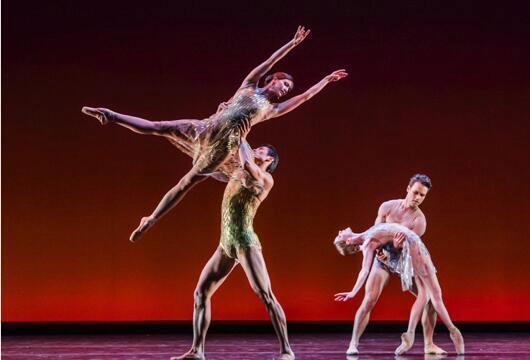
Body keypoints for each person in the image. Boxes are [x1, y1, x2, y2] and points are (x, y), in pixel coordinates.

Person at [81, 26, 347, 241]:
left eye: (288, 88)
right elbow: (268, 62)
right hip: (205, 126)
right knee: (159, 126)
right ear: (272, 80)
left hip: (223, 146)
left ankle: (150, 219)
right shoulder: (249, 85)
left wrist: (325, 80)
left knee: (186, 182)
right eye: (284, 83)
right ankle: (111, 115)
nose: (286, 89)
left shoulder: (271, 110)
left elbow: (305, 97)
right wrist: (292, 44)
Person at [172, 141, 294, 360]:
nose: (255, 150)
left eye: (260, 151)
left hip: (245, 243)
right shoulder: (238, 171)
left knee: (265, 295)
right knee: (200, 293)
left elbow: (247, 161)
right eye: (255, 148)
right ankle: (197, 351)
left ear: (269, 160)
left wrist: (241, 132)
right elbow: (219, 162)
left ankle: (287, 351)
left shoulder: (264, 179)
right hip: (226, 243)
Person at [335, 174, 446, 355]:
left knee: (431, 300)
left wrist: (397, 246)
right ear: (408, 189)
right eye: (416, 192)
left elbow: (411, 250)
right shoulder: (387, 207)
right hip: (383, 259)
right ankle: (353, 343)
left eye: (422, 195)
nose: (417, 198)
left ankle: (429, 344)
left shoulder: (419, 221)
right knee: (369, 299)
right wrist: (379, 250)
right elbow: (375, 232)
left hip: (404, 261)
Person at [333, 224, 465, 356]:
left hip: (413, 245)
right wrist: (353, 292)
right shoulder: (368, 243)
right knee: (430, 295)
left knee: (428, 295)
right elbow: (365, 270)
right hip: (410, 248)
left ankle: (418, 334)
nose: (340, 231)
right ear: (348, 241)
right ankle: (449, 331)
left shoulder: (366, 237)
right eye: (339, 236)